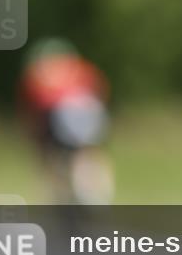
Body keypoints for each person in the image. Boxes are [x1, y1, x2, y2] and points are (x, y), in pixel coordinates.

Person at [19, 38, 114, 205]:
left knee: (62, 159)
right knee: (84, 155)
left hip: (64, 118)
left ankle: (78, 194)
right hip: (77, 117)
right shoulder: (84, 71)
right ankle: (87, 194)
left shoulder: (37, 78)